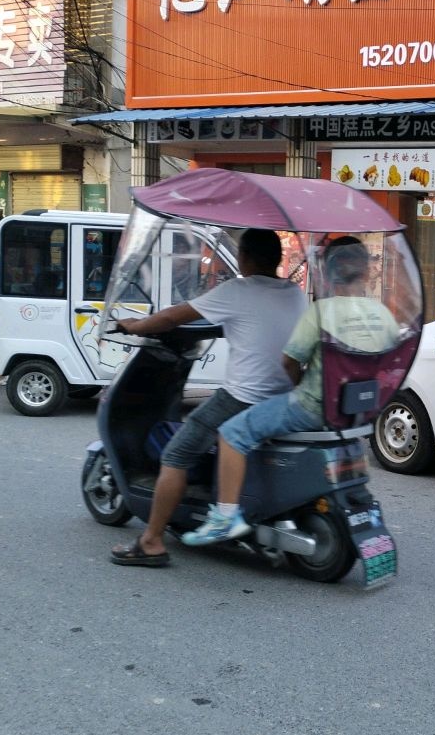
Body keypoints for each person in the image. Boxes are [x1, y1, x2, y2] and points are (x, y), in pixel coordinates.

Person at [182, 237, 399, 546]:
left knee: (231, 434)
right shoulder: (384, 316)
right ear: (366, 271)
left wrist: (298, 387)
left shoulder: (321, 312)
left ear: (328, 272)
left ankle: (224, 517)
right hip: (357, 411)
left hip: (312, 407)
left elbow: (289, 361)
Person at [110, 228, 306, 567]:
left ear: (244, 258)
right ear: (276, 258)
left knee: (176, 454)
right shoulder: (295, 293)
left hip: (243, 396)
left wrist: (136, 325)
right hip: (282, 394)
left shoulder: (238, 291)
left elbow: (172, 317)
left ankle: (151, 541)